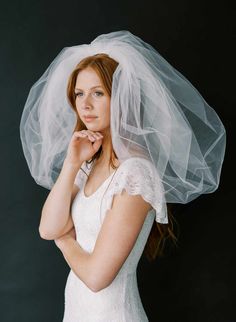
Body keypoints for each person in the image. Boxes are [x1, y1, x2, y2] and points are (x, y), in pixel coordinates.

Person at [19, 31, 226, 321]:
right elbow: (47, 228)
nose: (85, 104)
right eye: (80, 94)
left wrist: (65, 240)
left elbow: (96, 277)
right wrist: (71, 163)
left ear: (122, 98)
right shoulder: (88, 166)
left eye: (98, 93)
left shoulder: (137, 174)